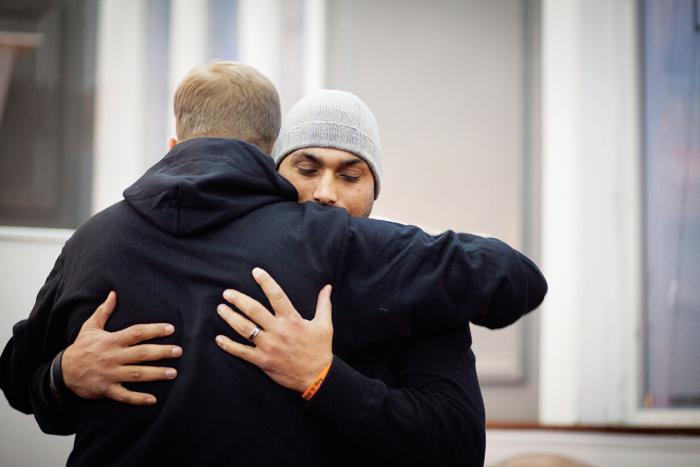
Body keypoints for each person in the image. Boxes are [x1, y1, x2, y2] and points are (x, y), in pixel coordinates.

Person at [0, 62, 546, 466]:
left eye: (351, 175)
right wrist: (62, 375)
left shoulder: (404, 275)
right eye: (306, 168)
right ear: (266, 172)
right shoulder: (109, 241)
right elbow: (32, 389)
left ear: (377, 187)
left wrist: (323, 378)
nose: (326, 194)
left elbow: (456, 447)